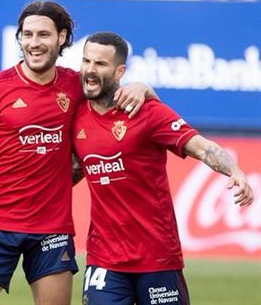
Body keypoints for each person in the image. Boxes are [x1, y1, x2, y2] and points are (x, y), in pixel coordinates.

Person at [0, 1, 156, 305]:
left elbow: (116, 93)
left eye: (43, 35)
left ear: (62, 37)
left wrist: (143, 87)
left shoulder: (75, 85)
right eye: (27, 34)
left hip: (52, 228)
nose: (34, 43)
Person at [73, 31, 254, 305]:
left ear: (120, 71)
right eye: (86, 61)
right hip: (104, 260)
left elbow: (203, 147)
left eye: (100, 64)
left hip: (157, 258)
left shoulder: (147, 112)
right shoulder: (75, 113)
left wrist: (235, 171)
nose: (90, 70)